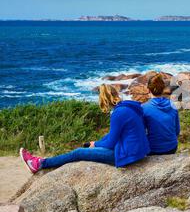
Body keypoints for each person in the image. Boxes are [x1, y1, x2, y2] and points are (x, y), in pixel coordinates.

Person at [20, 84, 150, 174]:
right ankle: (41, 162)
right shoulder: (129, 107)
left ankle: (40, 164)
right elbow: (115, 135)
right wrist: (97, 143)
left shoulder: (118, 113)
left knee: (78, 153)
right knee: (93, 146)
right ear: (116, 94)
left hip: (128, 155)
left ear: (103, 100)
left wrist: (96, 144)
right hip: (138, 151)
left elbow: (110, 143)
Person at [142, 74, 180, 156]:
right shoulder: (173, 104)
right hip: (172, 147)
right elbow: (177, 131)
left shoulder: (144, 108)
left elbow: (141, 133)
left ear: (148, 90)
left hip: (153, 149)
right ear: (163, 89)